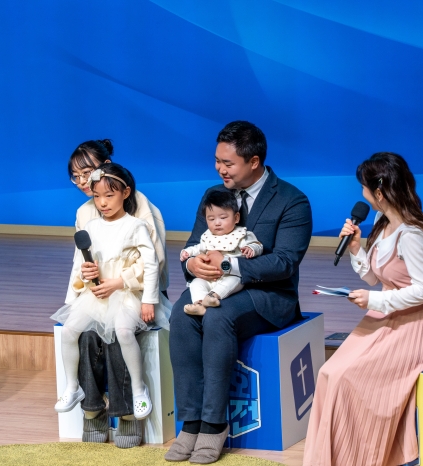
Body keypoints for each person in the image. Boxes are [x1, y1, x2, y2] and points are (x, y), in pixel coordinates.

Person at [166, 121, 312, 464]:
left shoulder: (292, 200)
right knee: (181, 316)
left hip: (267, 295)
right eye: (217, 161)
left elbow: (284, 262)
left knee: (218, 317)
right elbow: (194, 244)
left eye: (227, 163)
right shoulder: (213, 195)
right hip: (212, 286)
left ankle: (214, 424)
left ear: (254, 161)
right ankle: (191, 422)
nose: (220, 169)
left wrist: (228, 265)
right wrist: (193, 265)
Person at [303, 152, 423, 466]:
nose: (362, 194)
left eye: (364, 188)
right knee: (329, 372)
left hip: (414, 327)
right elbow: (375, 277)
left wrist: (374, 301)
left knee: (345, 378)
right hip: (385, 317)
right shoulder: (383, 226)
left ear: (379, 192)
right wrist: (356, 249)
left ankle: (363, 456)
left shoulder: (412, 235)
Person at [67, 139, 169, 448]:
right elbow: (81, 259)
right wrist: (81, 289)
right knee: (85, 336)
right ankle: (92, 410)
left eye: (87, 172)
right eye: (75, 176)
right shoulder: (84, 212)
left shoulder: (140, 207)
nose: (82, 181)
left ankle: (127, 414)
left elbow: (154, 262)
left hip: (136, 294)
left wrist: (119, 282)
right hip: (99, 295)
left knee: (116, 335)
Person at [180, 190, 263, 316]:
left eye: (223, 218)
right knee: (196, 283)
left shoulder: (241, 234)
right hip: (210, 277)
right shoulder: (207, 236)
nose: (217, 223)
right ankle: (199, 304)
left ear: (236, 218)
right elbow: (199, 247)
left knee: (235, 280)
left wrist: (251, 249)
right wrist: (188, 252)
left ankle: (213, 296)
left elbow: (257, 245)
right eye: (211, 219)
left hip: (230, 274)